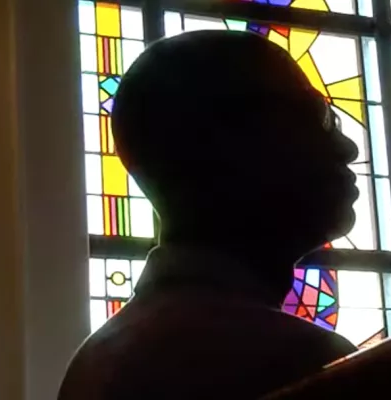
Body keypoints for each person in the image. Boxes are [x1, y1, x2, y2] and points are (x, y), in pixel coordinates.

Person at [58, 30, 360, 399]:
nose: (348, 147)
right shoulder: (298, 363)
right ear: (234, 144)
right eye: (320, 120)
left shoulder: (96, 359)